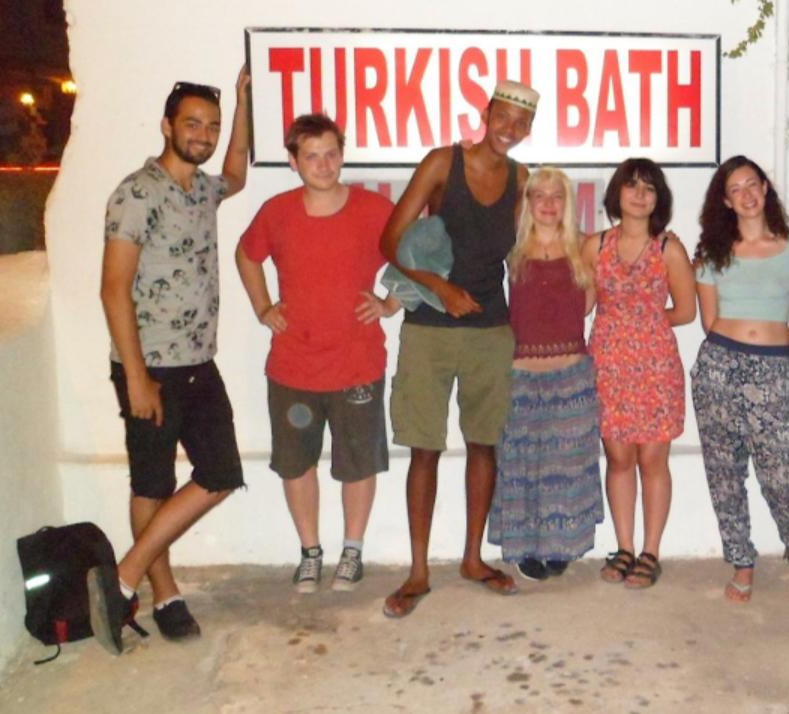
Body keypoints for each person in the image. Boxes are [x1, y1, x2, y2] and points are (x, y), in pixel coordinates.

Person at [92, 70, 250, 653]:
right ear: (167, 126)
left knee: (221, 473)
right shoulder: (136, 193)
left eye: (211, 126)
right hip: (149, 367)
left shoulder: (203, 190)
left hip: (198, 363)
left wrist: (241, 104)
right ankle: (164, 596)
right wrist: (136, 378)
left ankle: (121, 577)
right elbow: (113, 289)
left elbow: (237, 173)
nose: (203, 135)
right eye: (193, 124)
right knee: (152, 483)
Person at [377, 80, 537, 617]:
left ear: (529, 129)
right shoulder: (442, 163)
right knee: (424, 449)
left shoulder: (521, 178)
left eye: (521, 122)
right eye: (503, 116)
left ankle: (473, 559)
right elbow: (390, 241)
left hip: (491, 329)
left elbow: (528, 252)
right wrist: (439, 288)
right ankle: (418, 573)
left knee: (483, 445)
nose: (509, 129)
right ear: (486, 113)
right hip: (429, 326)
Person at [236, 113, 398, 594]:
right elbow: (247, 255)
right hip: (294, 367)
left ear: (342, 155)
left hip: (357, 364)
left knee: (358, 463)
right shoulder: (277, 212)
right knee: (296, 463)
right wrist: (263, 307)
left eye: (331, 154)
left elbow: (419, 254)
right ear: (293, 161)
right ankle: (310, 553)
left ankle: (353, 551)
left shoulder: (374, 209)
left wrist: (389, 303)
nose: (324, 165)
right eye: (311, 156)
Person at [692, 155, 789, 605]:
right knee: (725, 476)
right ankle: (741, 561)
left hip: (774, 371)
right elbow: (709, 320)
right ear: (726, 201)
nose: (746, 194)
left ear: (765, 189)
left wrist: (775, 358)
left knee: (779, 476)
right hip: (719, 367)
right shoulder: (712, 253)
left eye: (752, 184)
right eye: (735, 189)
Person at [486, 167, 604, 580]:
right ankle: (526, 548)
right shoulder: (511, 249)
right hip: (520, 375)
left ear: (567, 202)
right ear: (528, 202)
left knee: (568, 465)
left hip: (571, 374)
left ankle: (561, 545)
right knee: (522, 466)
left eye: (557, 195)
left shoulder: (587, 247)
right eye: (540, 195)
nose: (549, 203)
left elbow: (588, 304)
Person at [583, 158, 695, 589]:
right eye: (632, 186)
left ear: (658, 199)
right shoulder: (594, 246)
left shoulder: (669, 249)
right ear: (617, 193)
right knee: (619, 458)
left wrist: (641, 321)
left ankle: (650, 551)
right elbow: (584, 304)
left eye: (649, 188)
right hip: (608, 363)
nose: (640, 195)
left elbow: (686, 312)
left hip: (655, 365)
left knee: (652, 460)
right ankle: (624, 547)